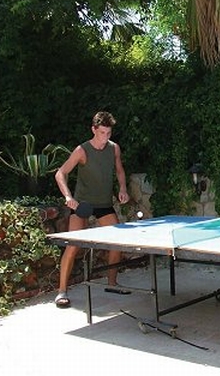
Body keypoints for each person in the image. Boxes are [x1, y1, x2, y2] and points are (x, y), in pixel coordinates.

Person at [53, 111, 130, 309]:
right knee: (73, 245)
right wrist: (68, 197)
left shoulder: (114, 148)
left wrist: (122, 188)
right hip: (82, 205)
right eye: (102, 132)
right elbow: (60, 173)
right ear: (94, 129)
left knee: (117, 241)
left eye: (108, 133)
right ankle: (62, 292)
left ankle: (112, 284)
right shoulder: (82, 150)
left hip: (104, 204)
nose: (105, 137)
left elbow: (119, 170)